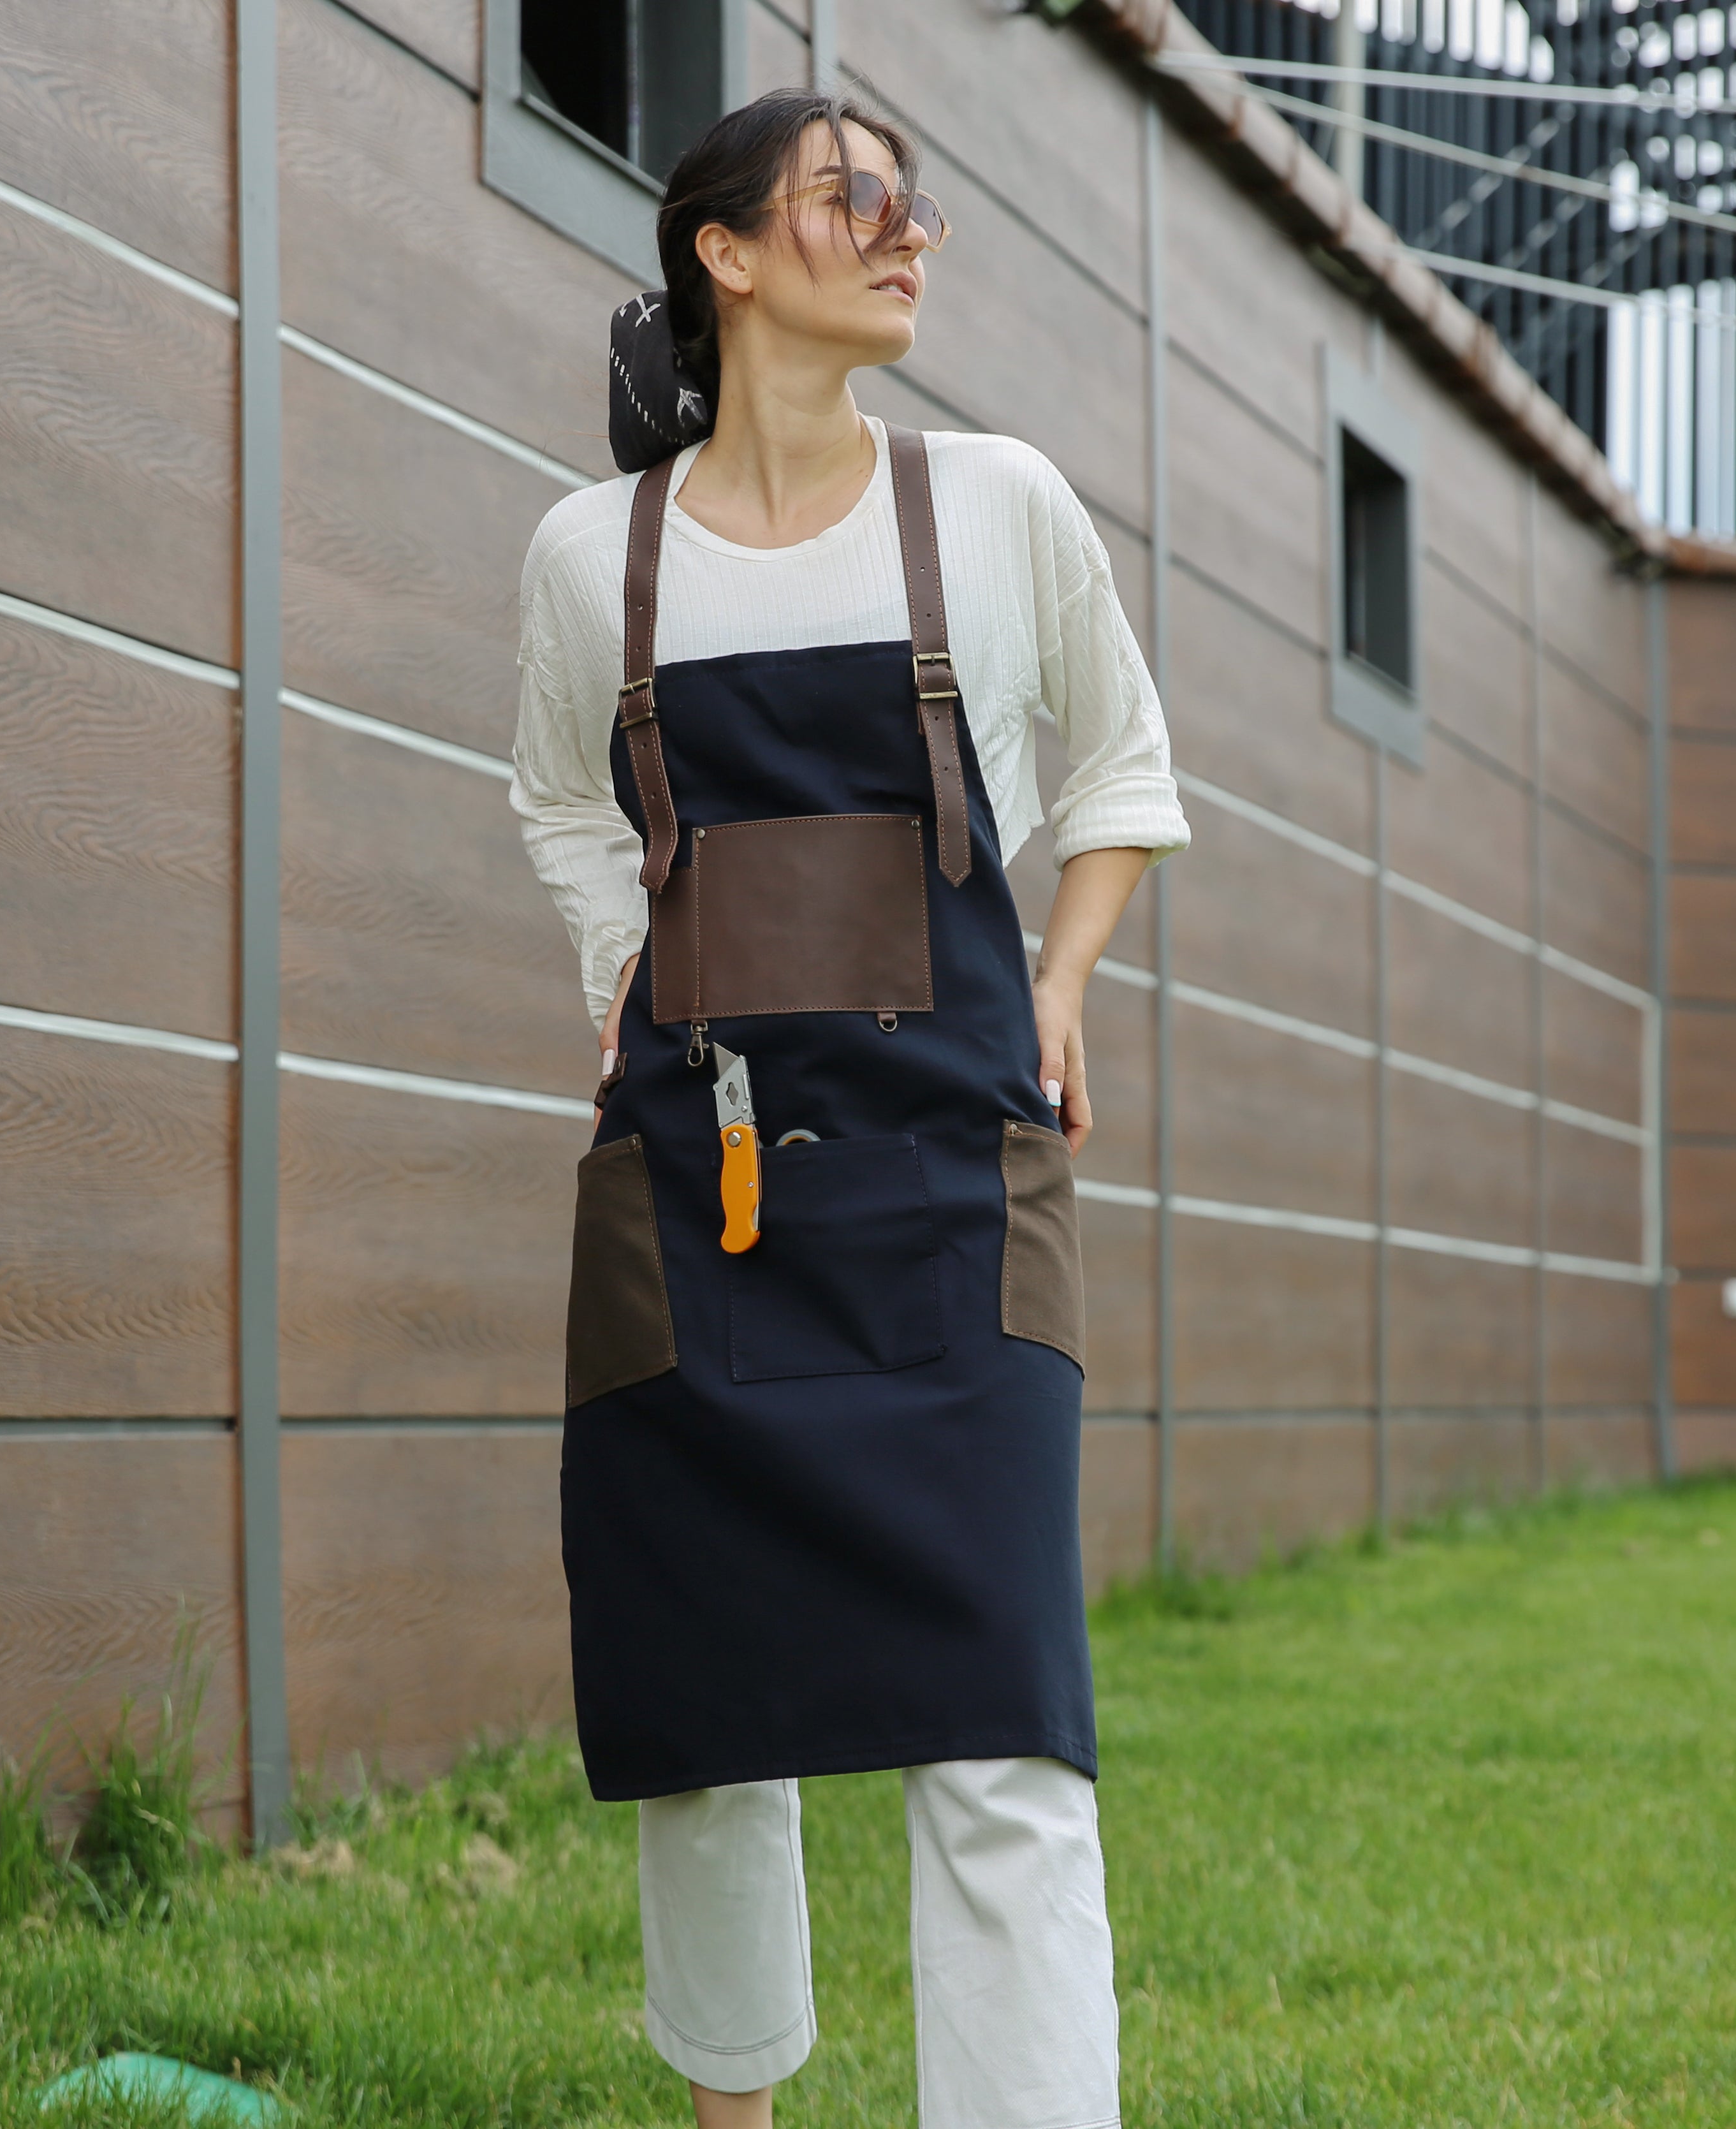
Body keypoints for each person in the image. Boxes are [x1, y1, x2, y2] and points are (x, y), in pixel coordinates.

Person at [510, 85, 1187, 2129]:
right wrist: (610, 967)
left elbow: (1124, 765)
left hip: (955, 1196)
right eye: (856, 197)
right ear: (723, 252)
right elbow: (556, 795)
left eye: (914, 201)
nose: (909, 233)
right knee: (703, 1707)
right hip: (687, 1200)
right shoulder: (588, 555)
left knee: (1001, 1726)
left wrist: (1059, 981)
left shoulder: (990, 505)